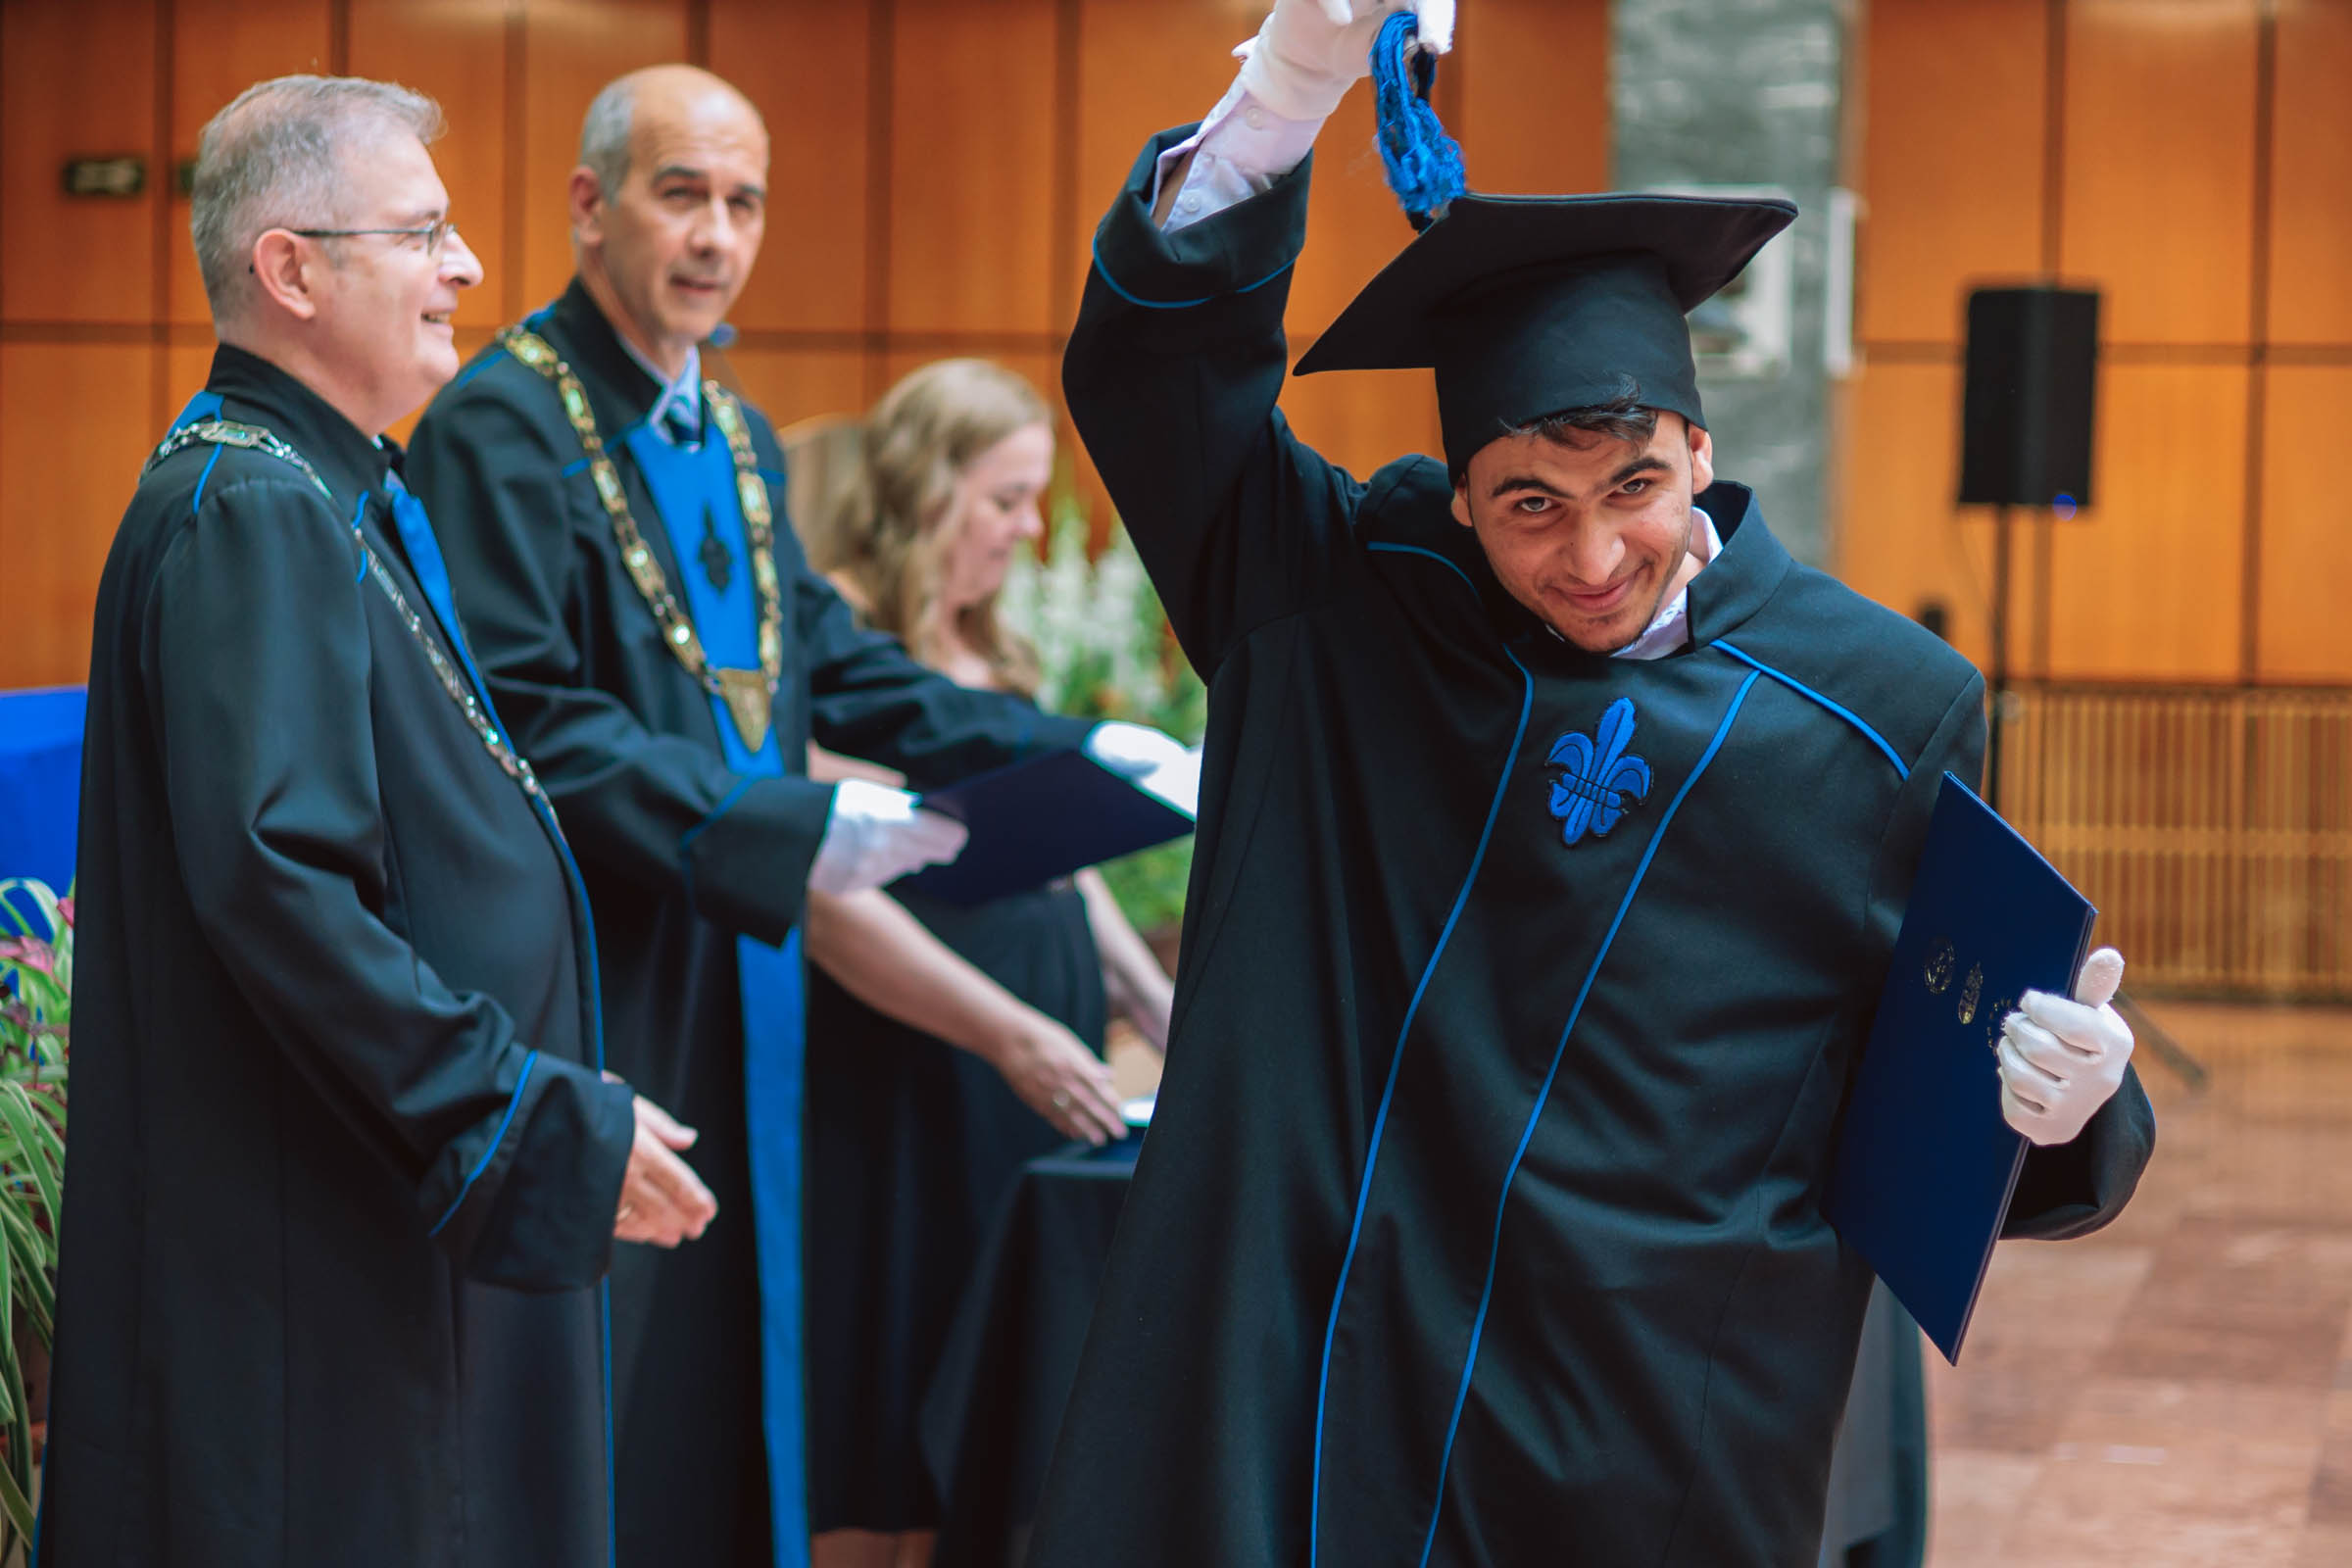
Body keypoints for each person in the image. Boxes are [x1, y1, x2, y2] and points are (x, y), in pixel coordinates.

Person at [1027, 4, 2158, 1565]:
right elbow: (1158, 390)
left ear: (1697, 447)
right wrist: (1285, 92)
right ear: (1461, 499)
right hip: (1321, 1359)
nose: (1592, 554)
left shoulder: (1881, 707)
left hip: (1642, 1413)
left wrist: (2076, 1100)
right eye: (1528, 507)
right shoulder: (1350, 604)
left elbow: (1948, 1075)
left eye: (1633, 486)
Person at [404, 65, 1165, 1567]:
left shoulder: (738, 439)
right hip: (606, 974)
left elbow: (847, 670)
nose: (716, 236)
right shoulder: (500, 425)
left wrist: (1083, 749)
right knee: (627, 1368)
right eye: (680, 194)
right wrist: (791, 830)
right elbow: (530, 720)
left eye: (744, 202)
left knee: (745, 1359)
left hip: (749, 973)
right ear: (590, 205)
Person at [38, 75, 715, 1567]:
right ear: (291, 270)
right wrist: (516, 1110)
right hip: (319, 1260)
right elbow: (284, 888)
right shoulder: (254, 507)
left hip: (371, 1216)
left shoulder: (313, 488)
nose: (465, 266)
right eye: (421, 233)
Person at [792, 361, 1178, 1567]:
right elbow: (823, 888)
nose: (1026, 528)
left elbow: (1062, 863)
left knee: (1011, 1397)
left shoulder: (992, 649)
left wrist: (1155, 1001)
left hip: (1033, 1065)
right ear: (928, 487)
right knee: (895, 1388)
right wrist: (1008, 1031)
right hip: (912, 1068)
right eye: (1005, 499)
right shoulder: (840, 641)